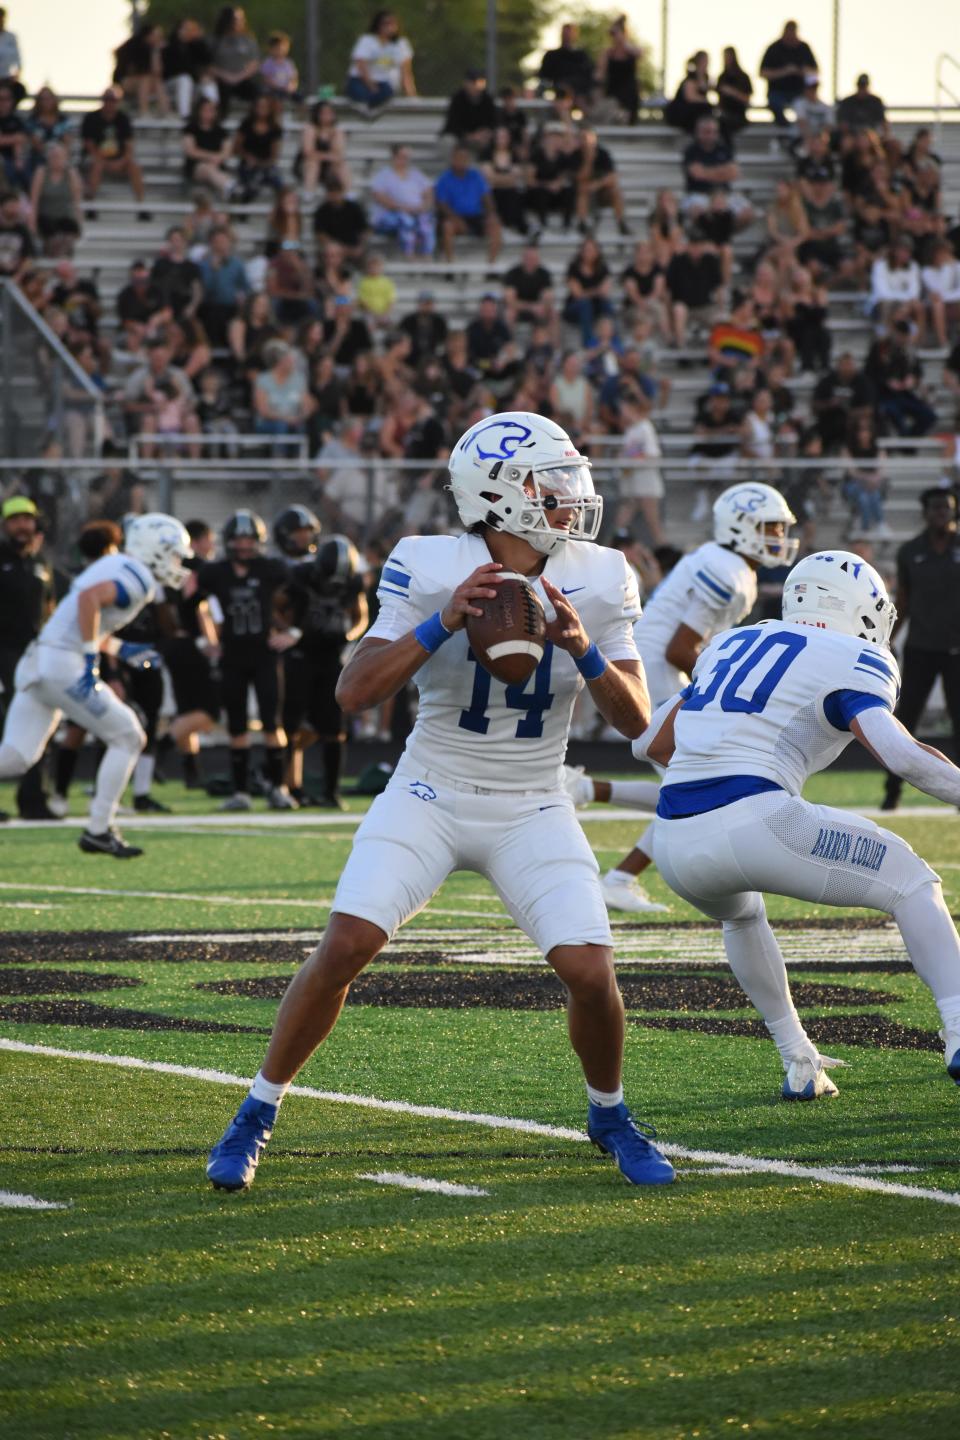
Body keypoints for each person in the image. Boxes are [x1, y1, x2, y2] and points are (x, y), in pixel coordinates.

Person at [206, 409, 677, 1193]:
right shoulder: (427, 562)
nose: (570, 495)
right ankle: (256, 1110)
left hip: (532, 799)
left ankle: (610, 1114)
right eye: (549, 482)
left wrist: (582, 648)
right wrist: (441, 621)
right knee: (348, 944)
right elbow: (353, 692)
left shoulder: (601, 573)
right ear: (500, 493)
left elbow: (640, 724)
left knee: (591, 971)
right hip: (430, 789)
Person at [639, 550, 960, 1101]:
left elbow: (648, 743)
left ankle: (799, 1060)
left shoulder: (732, 642)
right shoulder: (853, 657)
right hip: (757, 816)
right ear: (860, 610)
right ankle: (959, 1031)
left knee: (742, 917)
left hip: (673, 841)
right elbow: (901, 757)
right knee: (913, 883)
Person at [579, 484, 798, 915]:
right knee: (695, 786)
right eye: (769, 527)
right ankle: (621, 876)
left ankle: (585, 791)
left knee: (683, 784)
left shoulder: (726, 564)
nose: (778, 537)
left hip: (656, 668)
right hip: (659, 673)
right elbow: (680, 648)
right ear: (741, 528)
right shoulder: (729, 572)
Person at [0, 513, 190, 857]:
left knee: (13, 758)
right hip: (62, 664)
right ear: (155, 550)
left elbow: (78, 617)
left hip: (39, 659)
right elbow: (90, 600)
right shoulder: (139, 577)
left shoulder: (115, 563)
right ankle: (99, 829)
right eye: (174, 554)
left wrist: (118, 647)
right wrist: (91, 657)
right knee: (129, 736)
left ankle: (100, 830)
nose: (177, 563)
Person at [193, 510, 293, 812]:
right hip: (232, 656)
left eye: (249, 539)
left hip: (264, 656)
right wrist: (207, 638)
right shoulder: (215, 572)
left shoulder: (269, 569)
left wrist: (290, 631)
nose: (245, 546)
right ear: (229, 542)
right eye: (239, 540)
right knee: (236, 726)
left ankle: (278, 787)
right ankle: (241, 792)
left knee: (271, 722)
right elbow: (194, 603)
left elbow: (298, 597)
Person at [882, 489, 960, 810]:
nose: (942, 513)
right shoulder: (910, 551)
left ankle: (958, 793)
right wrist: (887, 638)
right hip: (920, 647)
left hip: (958, 649)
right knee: (905, 721)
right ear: (925, 512)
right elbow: (904, 599)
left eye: (947, 508)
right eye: (936, 508)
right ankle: (891, 792)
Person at [282, 534, 368, 809]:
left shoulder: (353, 581)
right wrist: (289, 631)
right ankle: (290, 788)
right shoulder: (301, 574)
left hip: (331, 654)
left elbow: (360, 616)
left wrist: (349, 637)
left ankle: (331, 792)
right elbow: (276, 604)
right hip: (301, 653)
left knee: (334, 728)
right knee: (292, 725)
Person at [0, 497, 56, 821]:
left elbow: (49, 608)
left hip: (33, 654)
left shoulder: (40, 562)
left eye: (27, 519)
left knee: (38, 721)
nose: (22, 526)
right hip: (3, 651)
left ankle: (34, 800)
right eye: (15, 520)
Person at [164, 518, 220, 790]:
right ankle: (158, 747)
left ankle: (191, 773)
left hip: (174, 644)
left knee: (188, 709)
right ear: (196, 541)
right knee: (210, 711)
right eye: (209, 538)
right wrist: (206, 640)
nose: (213, 544)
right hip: (188, 646)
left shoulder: (172, 567)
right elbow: (198, 609)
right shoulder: (197, 568)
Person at [80, 88, 146, 209]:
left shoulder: (123, 119)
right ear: (103, 101)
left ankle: (141, 205)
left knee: (135, 167)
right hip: (97, 159)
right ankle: (90, 204)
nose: (110, 103)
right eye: (107, 100)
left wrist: (122, 160)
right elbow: (89, 145)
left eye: (113, 100)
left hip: (119, 160)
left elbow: (129, 145)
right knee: (96, 165)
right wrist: (104, 161)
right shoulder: (91, 118)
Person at [435, 144, 501, 264]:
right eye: (459, 158)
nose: (462, 161)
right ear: (453, 159)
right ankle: (450, 266)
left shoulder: (476, 176)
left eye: (465, 159)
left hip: (476, 216)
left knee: (495, 225)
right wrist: (455, 218)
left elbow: (487, 197)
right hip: (455, 217)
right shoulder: (444, 179)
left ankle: (491, 267)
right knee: (447, 226)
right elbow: (442, 204)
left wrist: (491, 214)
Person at [368, 144, 435, 257]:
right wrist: (403, 208)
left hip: (415, 212)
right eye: (402, 156)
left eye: (407, 157)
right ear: (394, 157)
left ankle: (426, 255)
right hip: (391, 214)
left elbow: (428, 192)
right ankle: (408, 255)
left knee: (426, 223)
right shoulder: (384, 175)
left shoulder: (416, 174)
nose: (405, 160)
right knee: (405, 221)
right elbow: (379, 196)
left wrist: (423, 206)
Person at [346, 11, 416, 110]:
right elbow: (361, 66)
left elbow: (406, 73)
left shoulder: (401, 44)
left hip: (384, 83)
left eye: (392, 23)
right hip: (361, 81)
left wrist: (412, 97)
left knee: (386, 93)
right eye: (385, 23)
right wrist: (372, 87)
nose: (389, 27)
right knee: (360, 96)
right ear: (378, 25)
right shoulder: (367, 40)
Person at [759, 20, 817, 128]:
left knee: (804, 106)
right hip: (777, 91)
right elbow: (762, 73)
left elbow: (815, 74)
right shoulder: (774, 49)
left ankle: (801, 130)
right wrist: (784, 71)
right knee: (774, 103)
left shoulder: (804, 48)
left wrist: (801, 72)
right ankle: (785, 128)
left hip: (798, 92)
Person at [29, 142, 82, 257]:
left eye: (59, 156)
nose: (56, 159)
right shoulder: (41, 172)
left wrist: (79, 223)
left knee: (69, 238)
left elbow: (77, 202)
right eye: (53, 156)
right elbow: (34, 200)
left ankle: (61, 262)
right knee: (54, 239)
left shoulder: (71, 174)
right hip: (45, 217)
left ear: (66, 158)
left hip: (64, 217)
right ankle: (55, 261)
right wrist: (32, 222)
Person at [211, 5, 261, 117]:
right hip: (222, 81)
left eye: (242, 19)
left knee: (257, 93)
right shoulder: (216, 41)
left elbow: (254, 63)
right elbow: (209, 65)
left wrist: (238, 77)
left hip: (242, 80)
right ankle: (220, 121)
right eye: (237, 19)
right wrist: (226, 76)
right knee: (219, 94)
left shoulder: (248, 40)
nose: (241, 22)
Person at [233, 93, 283, 202]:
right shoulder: (246, 124)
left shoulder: (275, 128)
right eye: (259, 106)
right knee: (251, 182)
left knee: (278, 183)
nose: (262, 109)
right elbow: (236, 147)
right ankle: (242, 211)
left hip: (266, 164)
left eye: (265, 106)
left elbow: (274, 154)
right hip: (248, 163)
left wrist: (263, 164)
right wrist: (247, 157)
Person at [181, 96, 232, 197]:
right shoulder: (191, 129)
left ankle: (228, 188)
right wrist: (211, 157)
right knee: (206, 168)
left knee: (213, 171)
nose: (208, 113)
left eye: (211, 110)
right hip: (196, 167)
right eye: (205, 110)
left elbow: (226, 152)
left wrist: (216, 159)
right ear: (199, 111)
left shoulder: (221, 131)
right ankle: (229, 186)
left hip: (217, 165)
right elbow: (191, 151)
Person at [596, 15, 642, 125]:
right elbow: (599, 74)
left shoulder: (632, 51)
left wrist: (623, 40)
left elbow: (638, 53)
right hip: (613, 92)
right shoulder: (608, 53)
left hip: (629, 93)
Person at [538, 24, 595, 109]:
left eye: (569, 34)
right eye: (565, 34)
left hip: (580, 91)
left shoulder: (582, 55)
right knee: (562, 96)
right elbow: (544, 74)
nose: (567, 36)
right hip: (560, 89)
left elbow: (589, 74)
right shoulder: (552, 55)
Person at [442, 70, 497, 151]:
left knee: (495, 140)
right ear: (466, 83)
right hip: (461, 137)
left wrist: (485, 132)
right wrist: (468, 136)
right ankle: (454, 163)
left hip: (481, 137)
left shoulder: (487, 99)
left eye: (480, 83)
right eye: (474, 83)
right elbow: (452, 125)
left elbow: (494, 122)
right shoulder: (457, 99)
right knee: (448, 141)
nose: (477, 86)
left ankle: (485, 163)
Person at [836, 73, 887, 138]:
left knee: (893, 144)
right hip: (852, 135)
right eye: (860, 87)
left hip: (872, 135)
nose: (862, 90)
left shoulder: (875, 101)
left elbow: (883, 122)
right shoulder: (848, 102)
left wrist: (885, 135)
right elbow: (843, 124)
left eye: (864, 86)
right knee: (848, 142)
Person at [259, 30, 299, 102]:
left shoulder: (289, 63)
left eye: (283, 47)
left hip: (287, 90)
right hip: (273, 90)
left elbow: (293, 78)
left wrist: (291, 87)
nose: (280, 50)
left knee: (299, 97)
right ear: (271, 49)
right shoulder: (268, 63)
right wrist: (279, 87)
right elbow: (267, 79)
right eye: (277, 48)